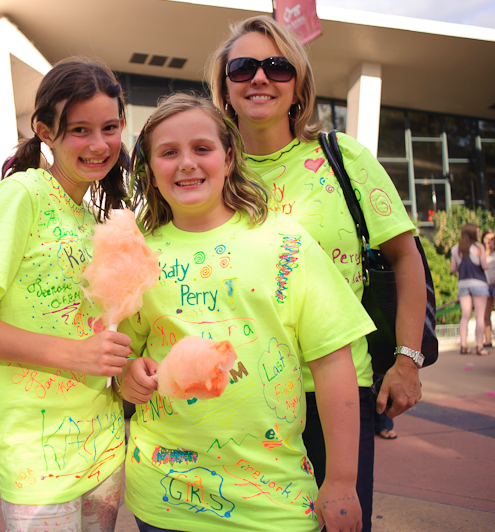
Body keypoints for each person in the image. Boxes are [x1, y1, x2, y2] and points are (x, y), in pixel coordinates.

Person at [207, 15, 427, 532]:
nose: (260, 78)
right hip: (239, 395)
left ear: (298, 83)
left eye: (277, 66)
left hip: (336, 395)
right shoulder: (210, 169)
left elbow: (405, 257)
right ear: (225, 88)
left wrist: (408, 361)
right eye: (243, 68)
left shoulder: (342, 157)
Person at [120, 93, 372, 532]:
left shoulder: (285, 242)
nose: (186, 163)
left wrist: (342, 481)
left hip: (274, 500)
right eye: (168, 152)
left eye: (202, 148)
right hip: (164, 495)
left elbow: (333, 363)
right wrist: (127, 375)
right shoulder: (135, 255)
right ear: (151, 173)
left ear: (229, 157)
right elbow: (121, 354)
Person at [0, 58, 131, 531]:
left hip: (103, 444)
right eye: (80, 130)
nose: (99, 144)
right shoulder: (20, 196)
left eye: (109, 128)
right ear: (45, 131)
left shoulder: (90, 218)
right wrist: (76, 354)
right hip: (37, 456)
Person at [451, 223, 489, 355]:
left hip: (463, 283)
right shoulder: (479, 247)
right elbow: (484, 265)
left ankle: (463, 345)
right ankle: (479, 346)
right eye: (477, 232)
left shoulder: (456, 249)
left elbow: (453, 269)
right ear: (472, 233)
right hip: (479, 283)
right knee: (479, 315)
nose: (478, 234)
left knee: (465, 315)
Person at [481, 229, 495, 347]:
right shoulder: (480, 252)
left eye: (492, 239)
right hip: (485, 286)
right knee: (486, 314)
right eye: (488, 238)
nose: (490, 241)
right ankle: (488, 340)